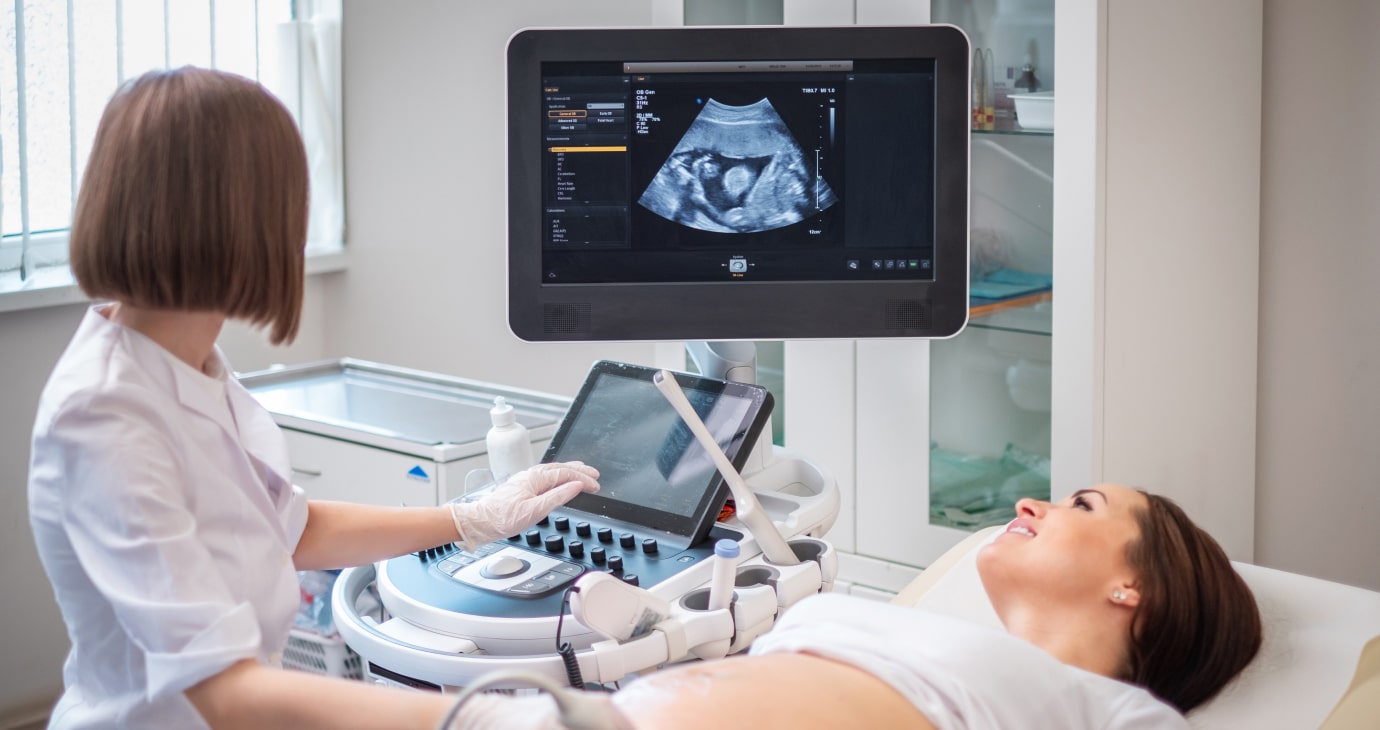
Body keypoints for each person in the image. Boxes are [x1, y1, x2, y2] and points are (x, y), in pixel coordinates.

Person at [27, 66, 600, 729]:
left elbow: (289, 528)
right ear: (240, 218)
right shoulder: (104, 417)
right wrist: (484, 720)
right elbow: (224, 694)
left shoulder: (185, 361)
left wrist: (471, 518)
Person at [451, 484, 1263, 730]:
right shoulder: (919, 627)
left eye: (1084, 506)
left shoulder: (1109, 714)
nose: (1030, 502)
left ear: (1136, 587)